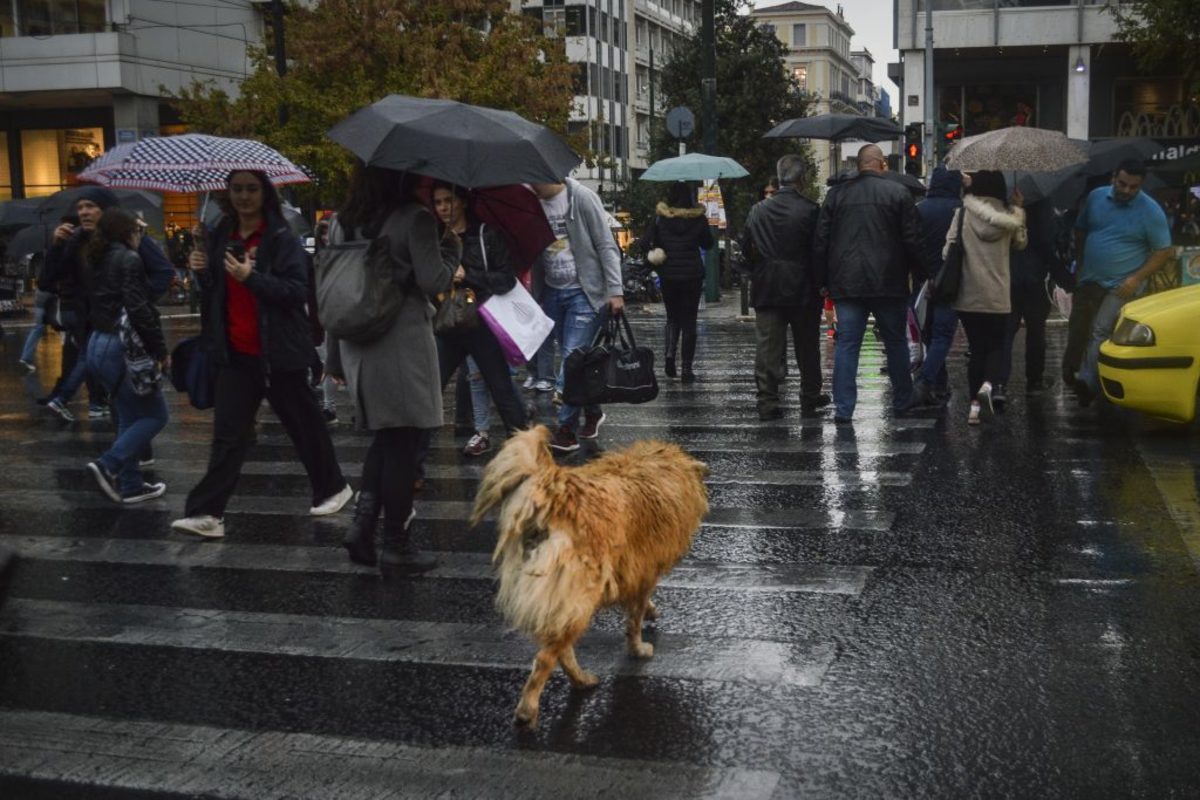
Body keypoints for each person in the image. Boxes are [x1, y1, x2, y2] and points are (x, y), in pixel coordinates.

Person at [171, 170, 351, 539]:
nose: (243, 196)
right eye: (237, 189)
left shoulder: (280, 237)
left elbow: (295, 292)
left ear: (264, 193)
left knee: (304, 426)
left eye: (251, 189)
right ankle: (207, 513)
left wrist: (250, 277)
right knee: (229, 436)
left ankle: (333, 488)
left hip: (278, 353)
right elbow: (216, 294)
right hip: (236, 354)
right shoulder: (221, 233)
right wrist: (202, 272)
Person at [327, 164, 455, 574]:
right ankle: (396, 543)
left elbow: (334, 287)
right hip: (400, 342)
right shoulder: (413, 218)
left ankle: (363, 526)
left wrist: (332, 357)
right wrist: (452, 245)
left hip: (355, 343)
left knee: (387, 439)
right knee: (403, 443)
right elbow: (434, 278)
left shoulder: (340, 224)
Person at [813, 144, 926, 424]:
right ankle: (902, 400)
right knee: (895, 342)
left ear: (859, 164)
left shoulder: (836, 196)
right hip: (889, 282)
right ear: (881, 164)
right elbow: (912, 239)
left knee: (847, 344)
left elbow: (821, 242)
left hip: (847, 283)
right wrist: (920, 272)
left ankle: (843, 408)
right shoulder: (898, 193)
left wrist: (822, 281)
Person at [41, 192, 175, 421]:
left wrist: (138, 298)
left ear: (108, 211)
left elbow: (164, 271)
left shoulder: (128, 238)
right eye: (80, 206)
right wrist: (56, 247)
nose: (83, 212)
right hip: (90, 327)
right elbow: (47, 281)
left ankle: (129, 451)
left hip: (122, 330)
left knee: (132, 406)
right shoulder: (76, 240)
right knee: (117, 400)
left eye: (90, 205)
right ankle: (124, 447)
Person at [430, 181, 528, 452]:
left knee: (501, 389)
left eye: (448, 200)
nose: (443, 208)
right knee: (429, 390)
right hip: (447, 324)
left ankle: (525, 452)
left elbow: (506, 279)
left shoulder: (486, 235)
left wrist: (467, 276)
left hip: (482, 324)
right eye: (437, 202)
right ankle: (412, 465)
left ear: (462, 201)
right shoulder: (435, 240)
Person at [81, 208, 170, 503]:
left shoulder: (97, 257)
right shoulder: (129, 259)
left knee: (129, 415)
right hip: (121, 346)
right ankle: (109, 464)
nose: (139, 235)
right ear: (126, 232)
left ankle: (131, 485)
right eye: (137, 231)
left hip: (97, 342)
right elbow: (139, 310)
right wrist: (160, 351)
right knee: (156, 415)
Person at [531, 180, 624, 452]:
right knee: (578, 361)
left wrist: (615, 290)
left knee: (572, 356)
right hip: (551, 290)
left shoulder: (582, 198)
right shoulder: (530, 202)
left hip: (585, 291)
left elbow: (606, 244)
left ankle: (566, 429)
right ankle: (592, 411)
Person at [1069, 159, 1173, 405]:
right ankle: (1080, 376)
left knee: (1100, 330)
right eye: (1122, 184)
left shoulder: (1150, 211)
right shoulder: (1096, 197)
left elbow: (1163, 251)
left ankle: (1087, 382)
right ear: (1113, 177)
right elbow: (1081, 229)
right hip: (1090, 280)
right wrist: (1081, 263)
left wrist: (1135, 278)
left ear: (1141, 186)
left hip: (1122, 284)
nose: (1126, 191)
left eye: (1133, 187)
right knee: (1080, 330)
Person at [739, 153, 827, 420]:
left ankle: (767, 401)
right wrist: (822, 283)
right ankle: (810, 396)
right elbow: (820, 251)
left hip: (767, 285)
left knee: (767, 347)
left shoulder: (758, 210)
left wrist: (758, 270)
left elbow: (746, 249)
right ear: (802, 179)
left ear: (779, 179)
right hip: (803, 286)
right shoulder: (811, 210)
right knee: (807, 346)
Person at [944, 171, 1027, 425]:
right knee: (996, 346)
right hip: (997, 295)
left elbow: (947, 251)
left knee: (977, 348)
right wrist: (1019, 209)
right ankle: (990, 385)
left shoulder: (963, 214)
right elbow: (1021, 244)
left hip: (968, 295)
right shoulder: (1010, 218)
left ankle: (973, 409)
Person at [638, 181, 712, 382]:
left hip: (668, 274)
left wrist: (658, 250)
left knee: (672, 317)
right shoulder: (698, 219)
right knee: (689, 321)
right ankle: (687, 369)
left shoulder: (661, 219)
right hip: (692, 275)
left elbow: (644, 243)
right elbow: (708, 243)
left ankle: (670, 354)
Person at [999, 196, 1065, 399]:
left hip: (1007, 276)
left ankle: (1000, 381)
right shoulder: (1041, 202)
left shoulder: (1001, 203)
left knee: (1005, 333)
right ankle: (1034, 380)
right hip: (1034, 276)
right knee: (1036, 332)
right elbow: (1048, 238)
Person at [911, 167, 963, 407]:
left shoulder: (920, 209)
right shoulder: (961, 210)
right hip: (951, 282)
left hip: (923, 282)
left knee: (930, 334)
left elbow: (912, 245)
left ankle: (939, 383)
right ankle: (926, 379)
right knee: (943, 334)